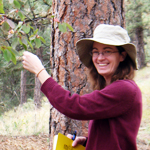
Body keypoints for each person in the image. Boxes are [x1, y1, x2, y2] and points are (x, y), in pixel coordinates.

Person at [22, 24, 142, 150]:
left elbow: (74, 106)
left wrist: (40, 72)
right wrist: (87, 142)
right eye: (96, 52)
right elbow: (116, 136)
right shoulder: (114, 89)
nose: (100, 58)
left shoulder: (125, 89)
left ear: (122, 56)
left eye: (107, 51)